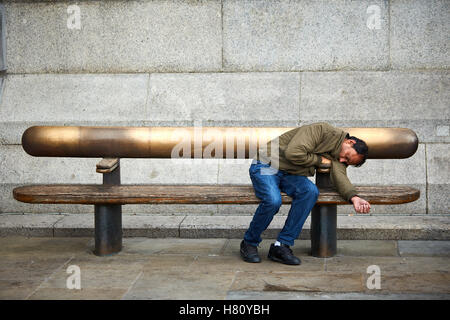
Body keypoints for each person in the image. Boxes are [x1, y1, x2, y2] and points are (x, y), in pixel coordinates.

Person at [240, 122, 370, 265]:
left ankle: (281, 245)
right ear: (350, 142)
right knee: (273, 200)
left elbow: (340, 176)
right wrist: (319, 160)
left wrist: (354, 197)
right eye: (346, 156)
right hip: (266, 164)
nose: (342, 160)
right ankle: (249, 243)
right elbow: (293, 152)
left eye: (346, 161)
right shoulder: (321, 130)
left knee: (310, 191)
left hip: (290, 174)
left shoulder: (337, 155)